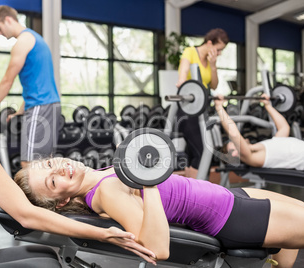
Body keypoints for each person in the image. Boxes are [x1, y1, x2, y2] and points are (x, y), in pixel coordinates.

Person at [0, 53, 157, 267]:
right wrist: (103, 234)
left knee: (43, 252)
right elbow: (25, 215)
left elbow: (7, 199)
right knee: (45, 264)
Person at [15, 156, 304, 268]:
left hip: (231, 198)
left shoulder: (101, 177)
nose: (60, 169)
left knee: (287, 255)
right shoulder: (106, 191)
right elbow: (157, 248)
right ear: (62, 202)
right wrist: (147, 181)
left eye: (51, 163)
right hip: (230, 216)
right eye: (54, 181)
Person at [0, 5, 61, 167]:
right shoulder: (36, 38)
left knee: (28, 164)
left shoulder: (22, 42)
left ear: (8, 20)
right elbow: (36, 84)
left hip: (40, 107)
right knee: (44, 163)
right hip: (51, 105)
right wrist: (20, 112)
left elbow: (7, 80)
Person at [175, 28, 229, 178]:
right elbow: (183, 73)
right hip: (188, 110)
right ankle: (194, 196)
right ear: (210, 43)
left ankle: (188, 194)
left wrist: (213, 65)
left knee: (194, 154)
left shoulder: (211, 61)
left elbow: (213, 85)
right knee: (201, 151)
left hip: (202, 111)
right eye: (218, 49)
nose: (219, 53)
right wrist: (181, 82)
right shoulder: (190, 52)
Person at [214, 94, 304, 170]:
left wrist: (267, 106)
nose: (236, 143)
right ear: (234, 154)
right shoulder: (252, 158)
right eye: (234, 144)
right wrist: (219, 107)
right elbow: (234, 134)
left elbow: (284, 128)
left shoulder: (267, 145)